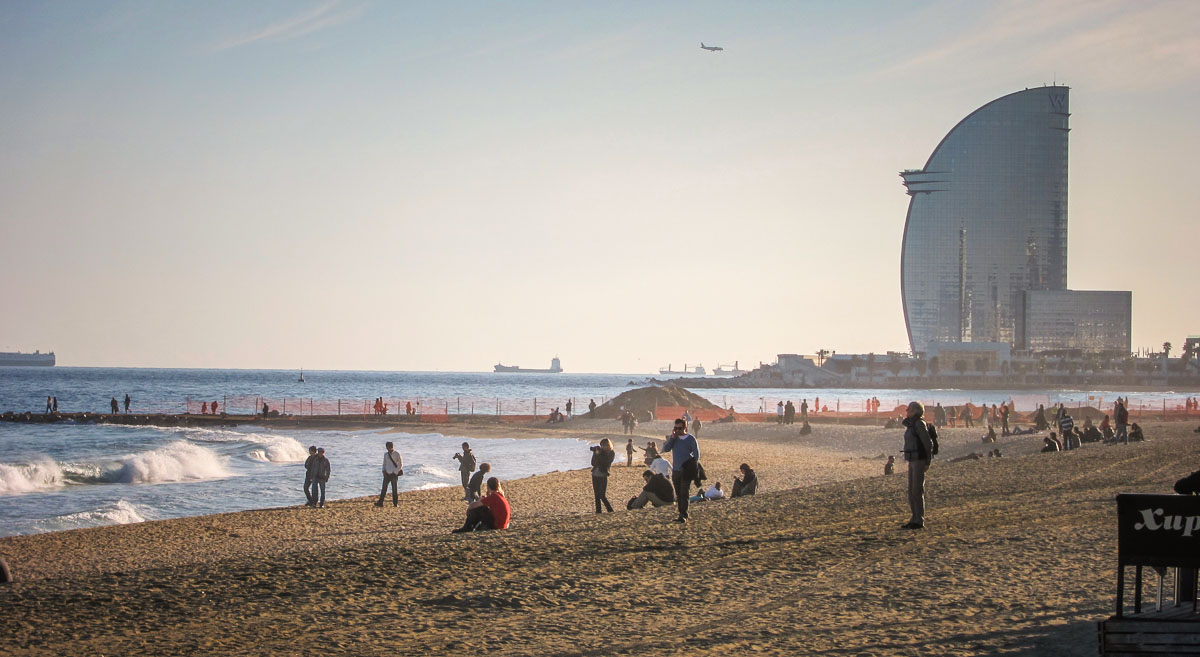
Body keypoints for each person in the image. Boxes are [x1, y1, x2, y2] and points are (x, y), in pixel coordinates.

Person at [901, 401, 934, 530]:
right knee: (911, 491)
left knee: (917, 490)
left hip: (919, 460)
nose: (906, 411)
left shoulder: (919, 424)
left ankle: (919, 520)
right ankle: (914, 517)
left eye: (908, 409)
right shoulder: (911, 424)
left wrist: (928, 461)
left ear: (914, 411)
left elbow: (928, 443)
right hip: (912, 459)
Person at [661, 418, 699, 522]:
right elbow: (666, 449)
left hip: (686, 471)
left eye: (679, 428)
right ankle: (681, 514)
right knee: (678, 494)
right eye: (675, 428)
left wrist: (692, 466)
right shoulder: (674, 438)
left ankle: (684, 515)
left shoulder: (691, 439)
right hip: (676, 470)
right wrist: (672, 438)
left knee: (684, 493)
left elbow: (696, 455)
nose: (677, 430)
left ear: (685, 427)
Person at [374, 441, 404, 507]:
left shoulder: (397, 454)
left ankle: (395, 503)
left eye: (389, 447)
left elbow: (400, 464)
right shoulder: (386, 454)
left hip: (394, 475)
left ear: (392, 447)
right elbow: (384, 464)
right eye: (387, 447)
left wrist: (395, 473)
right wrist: (383, 471)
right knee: (384, 489)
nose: (388, 449)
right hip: (387, 474)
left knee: (394, 489)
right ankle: (380, 502)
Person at [590, 439, 615, 513]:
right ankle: (598, 511)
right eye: (601, 445)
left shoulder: (611, 453)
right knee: (596, 495)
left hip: (603, 475)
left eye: (604, 445)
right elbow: (593, 463)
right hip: (595, 474)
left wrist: (599, 454)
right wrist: (595, 453)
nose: (602, 447)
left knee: (602, 495)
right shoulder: (599, 451)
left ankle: (610, 510)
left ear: (608, 445)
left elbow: (606, 462)